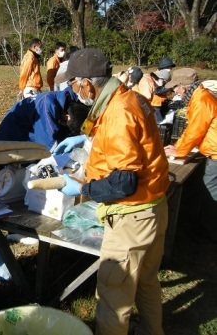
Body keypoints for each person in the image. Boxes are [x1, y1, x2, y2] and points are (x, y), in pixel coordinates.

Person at [58, 48, 170, 335]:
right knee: (146, 281)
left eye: (73, 84)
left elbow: (124, 182)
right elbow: (125, 140)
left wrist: (85, 188)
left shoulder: (120, 112)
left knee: (113, 297)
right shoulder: (128, 98)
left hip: (132, 218)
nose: (73, 91)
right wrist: (84, 136)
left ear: (86, 82)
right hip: (154, 206)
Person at [164, 67, 217, 243]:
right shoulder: (199, 97)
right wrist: (178, 147)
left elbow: (195, 131)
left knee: (210, 190)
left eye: (176, 88)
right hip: (212, 150)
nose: (174, 92)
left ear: (183, 87)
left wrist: (179, 151)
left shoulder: (201, 100)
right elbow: (191, 129)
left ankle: (210, 231)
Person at [0, 87, 84, 152]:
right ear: (66, 117)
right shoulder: (47, 106)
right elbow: (49, 145)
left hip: (22, 138)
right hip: (7, 142)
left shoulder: (63, 99)